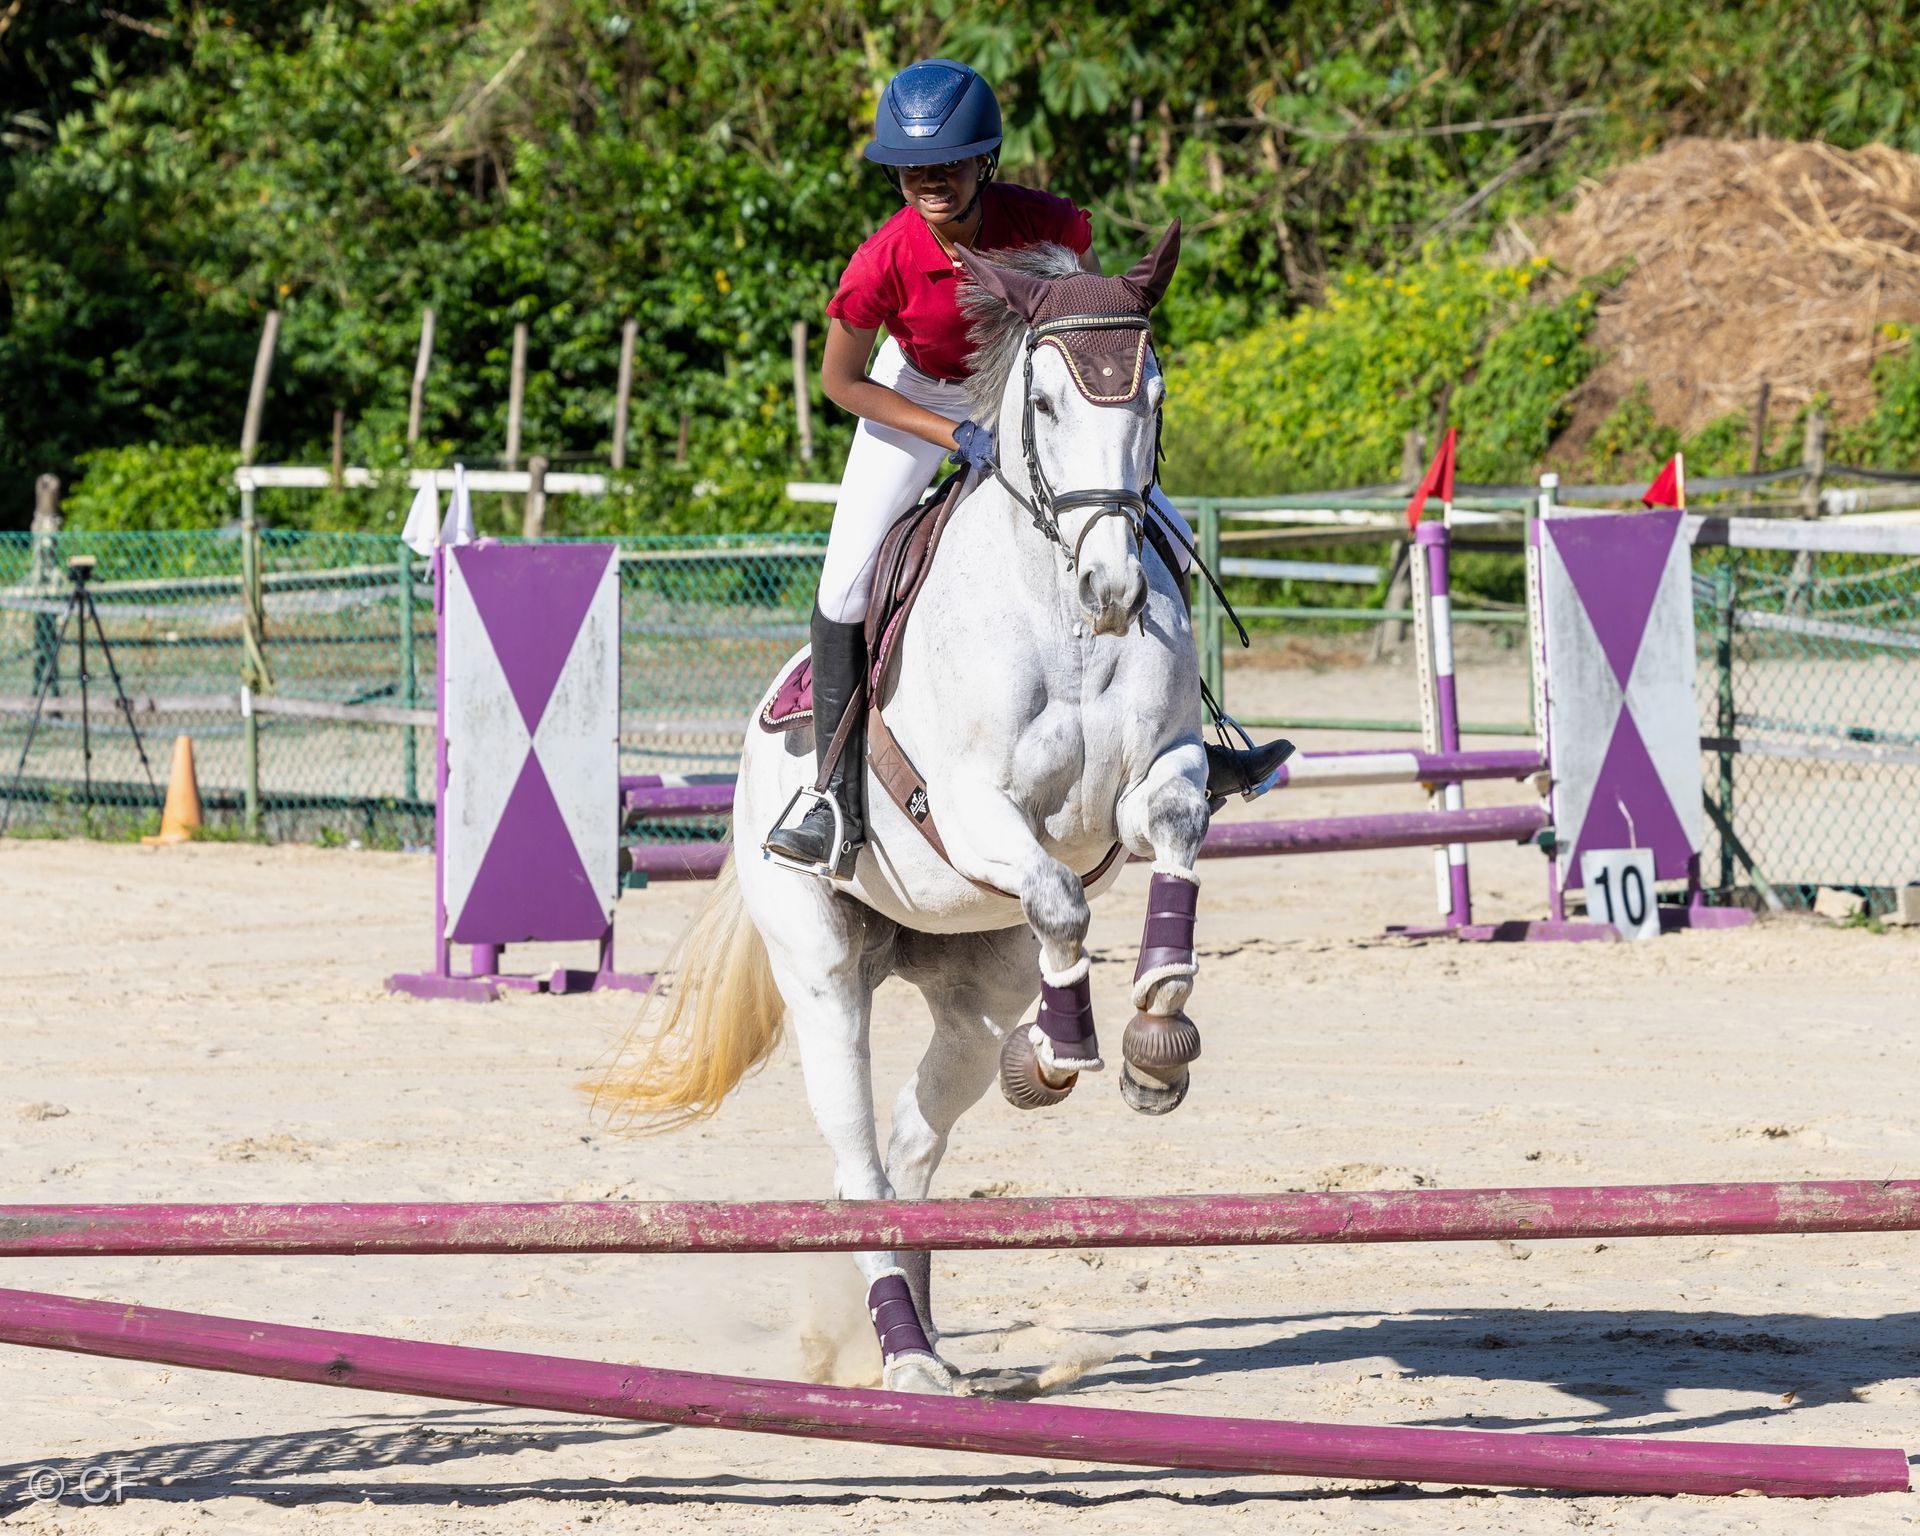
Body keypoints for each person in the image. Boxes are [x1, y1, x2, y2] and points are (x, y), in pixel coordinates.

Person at [764, 59, 1288, 878]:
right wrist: (948, 433)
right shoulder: (882, 260)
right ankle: (831, 795)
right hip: (917, 394)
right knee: (844, 587)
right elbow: (840, 382)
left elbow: (1079, 324)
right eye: (913, 168)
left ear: (987, 161)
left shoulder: (1047, 225)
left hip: (1028, 389)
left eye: (950, 162)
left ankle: (1196, 737)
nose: (932, 180)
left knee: (1172, 543)